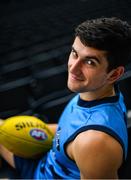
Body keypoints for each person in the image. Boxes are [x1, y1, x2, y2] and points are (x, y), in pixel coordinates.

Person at [0, 17, 131, 179]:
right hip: (48, 162)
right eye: (74, 53)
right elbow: (68, 128)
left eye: (90, 62)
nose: (73, 68)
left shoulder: (95, 142)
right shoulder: (97, 92)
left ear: (115, 74)